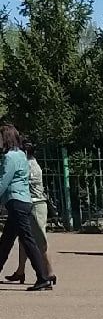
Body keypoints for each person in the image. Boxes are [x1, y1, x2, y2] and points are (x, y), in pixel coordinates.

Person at [0, 123, 53, 290]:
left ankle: (43, 277)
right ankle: (43, 277)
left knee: (28, 241)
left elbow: (3, 181)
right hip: (24, 202)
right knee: (6, 241)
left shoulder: (9, 157)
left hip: (16, 202)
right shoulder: (21, 154)